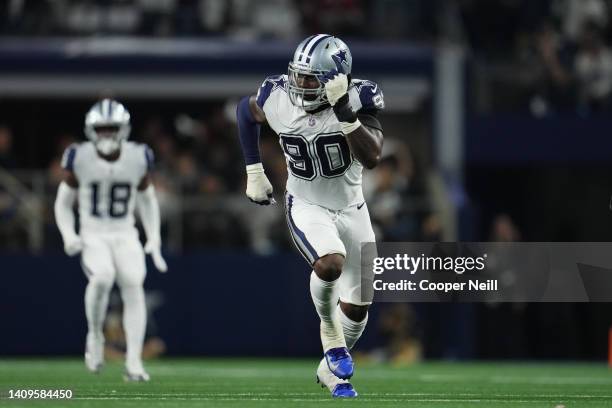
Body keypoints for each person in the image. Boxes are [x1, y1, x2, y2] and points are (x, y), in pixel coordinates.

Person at [236, 34, 384, 398]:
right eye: (297, 75)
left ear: (337, 77)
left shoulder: (359, 98)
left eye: (309, 78)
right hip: (307, 204)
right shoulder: (277, 96)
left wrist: (345, 114)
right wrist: (254, 170)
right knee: (330, 263)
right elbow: (245, 110)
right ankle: (331, 340)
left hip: (353, 209)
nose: (300, 85)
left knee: (358, 307)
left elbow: (372, 156)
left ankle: (329, 372)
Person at [54, 99, 167, 381]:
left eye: (111, 128)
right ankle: (94, 336)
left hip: (124, 231)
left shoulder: (138, 155)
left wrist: (153, 237)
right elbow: (62, 203)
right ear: (91, 130)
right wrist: (69, 234)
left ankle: (133, 362)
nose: (106, 134)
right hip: (93, 232)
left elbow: (147, 199)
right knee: (102, 277)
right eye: (101, 128)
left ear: (123, 129)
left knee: (133, 285)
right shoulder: (78, 156)